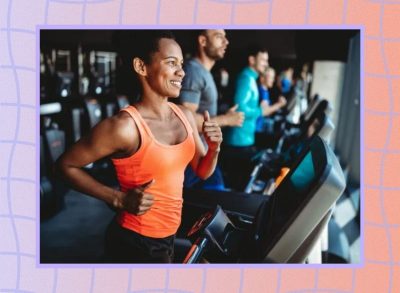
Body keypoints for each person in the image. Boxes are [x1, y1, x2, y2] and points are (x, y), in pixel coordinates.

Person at [56, 31, 222, 263]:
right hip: (136, 241)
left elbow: (203, 171)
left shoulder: (185, 115)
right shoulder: (125, 127)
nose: (181, 72)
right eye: (171, 63)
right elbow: (65, 166)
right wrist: (117, 199)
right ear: (141, 67)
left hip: (169, 234)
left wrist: (214, 148)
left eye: (181, 64)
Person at [179, 29, 244, 190]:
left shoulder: (203, 71)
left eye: (226, 38)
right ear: (203, 41)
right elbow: (186, 119)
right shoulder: (194, 71)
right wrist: (226, 120)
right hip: (193, 163)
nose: (226, 42)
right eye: (219, 37)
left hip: (205, 155)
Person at [222, 45, 270, 190]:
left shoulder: (251, 78)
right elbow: (240, 108)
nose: (266, 64)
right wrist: (261, 110)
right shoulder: (246, 78)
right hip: (238, 141)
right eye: (262, 60)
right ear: (251, 60)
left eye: (266, 61)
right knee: (237, 187)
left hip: (244, 139)